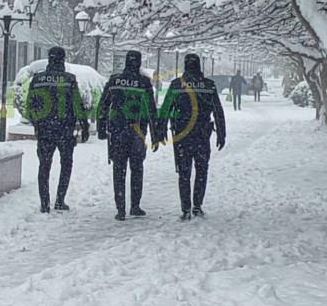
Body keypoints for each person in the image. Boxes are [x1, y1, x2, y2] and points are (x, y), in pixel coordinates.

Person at [97, 50, 165, 221]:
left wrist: (101, 128)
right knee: (137, 169)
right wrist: (156, 134)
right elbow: (151, 110)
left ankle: (120, 208)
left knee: (118, 170)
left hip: (118, 132)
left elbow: (103, 106)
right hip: (137, 132)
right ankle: (135, 206)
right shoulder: (143, 82)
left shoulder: (114, 81)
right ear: (139, 63)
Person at [160, 54, 226, 220]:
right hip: (203, 134)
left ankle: (186, 208)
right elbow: (218, 110)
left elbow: (165, 110)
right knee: (202, 170)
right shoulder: (208, 85)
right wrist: (221, 133)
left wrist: (160, 132)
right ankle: (197, 205)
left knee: (184, 172)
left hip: (182, 135)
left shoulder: (177, 85)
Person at [26, 47, 89, 213]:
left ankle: (44, 203)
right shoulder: (69, 80)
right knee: (66, 164)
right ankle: (60, 200)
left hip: (45, 131)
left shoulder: (37, 79)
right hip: (65, 131)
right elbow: (77, 105)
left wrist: (38, 124)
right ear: (62, 60)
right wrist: (84, 125)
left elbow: (30, 106)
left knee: (44, 166)